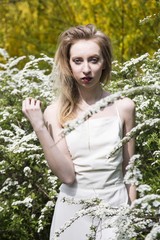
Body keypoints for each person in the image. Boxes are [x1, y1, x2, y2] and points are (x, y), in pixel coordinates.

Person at [22, 24, 137, 240]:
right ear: (68, 65)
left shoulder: (124, 107)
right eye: (78, 61)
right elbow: (67, 175)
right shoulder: (54, 112)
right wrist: (39, 126)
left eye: (94, 60)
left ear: (104, 63)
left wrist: (131, 215)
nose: (86, 69)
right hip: (72, 211)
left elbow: (129, 169)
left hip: (115, 208)